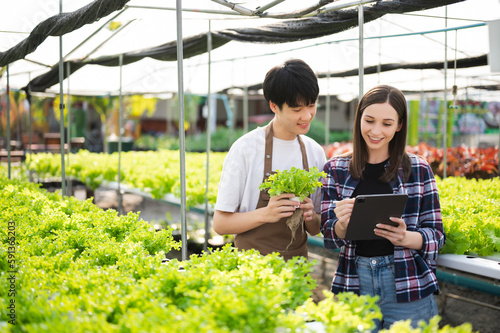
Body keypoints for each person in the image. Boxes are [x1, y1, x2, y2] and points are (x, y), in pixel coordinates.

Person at [321, 85, 445, 330]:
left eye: (387, 124)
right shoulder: (335, 168)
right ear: (359, 119)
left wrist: (406, 237)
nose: (376, 131)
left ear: (399, 125)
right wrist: (341, 225)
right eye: (369, 121)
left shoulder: (418, 169)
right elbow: (328, 236)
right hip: (355, 284)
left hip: (407, 285)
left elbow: (437, 235)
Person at [213, 59, 327, 260]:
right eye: (296, 109)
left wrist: (310, 216)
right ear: (274, 106)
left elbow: (315, 230)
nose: (307, 115)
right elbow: (220, 224)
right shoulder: (246, 149)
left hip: (297, 266)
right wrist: (266, 214)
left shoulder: (314, 152)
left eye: (311, 105)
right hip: (252, 268)